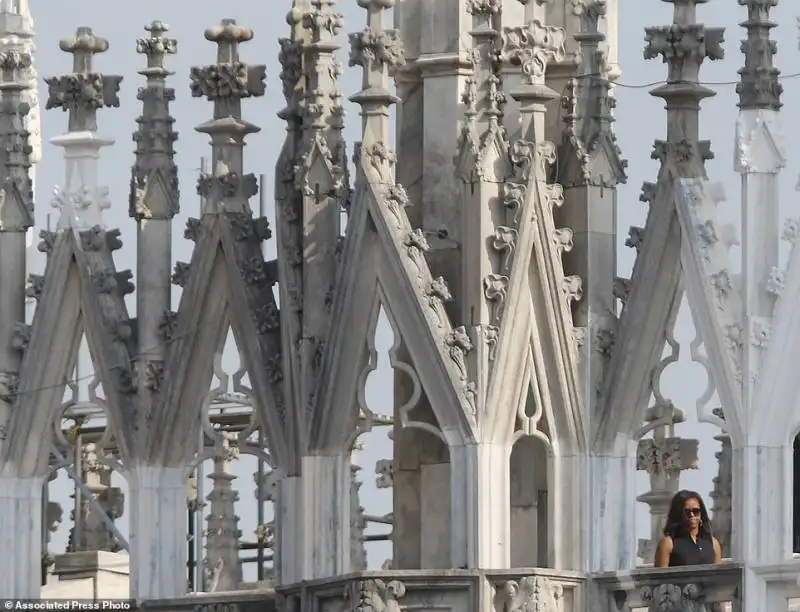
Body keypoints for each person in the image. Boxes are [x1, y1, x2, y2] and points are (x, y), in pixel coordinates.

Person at [655, 489, 722, 568]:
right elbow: (659, 577)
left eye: (696, 511)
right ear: (678, 513)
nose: (692, 515)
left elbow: (719, 576)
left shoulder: (713, 543)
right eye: (687, 512)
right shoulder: (668, 543)